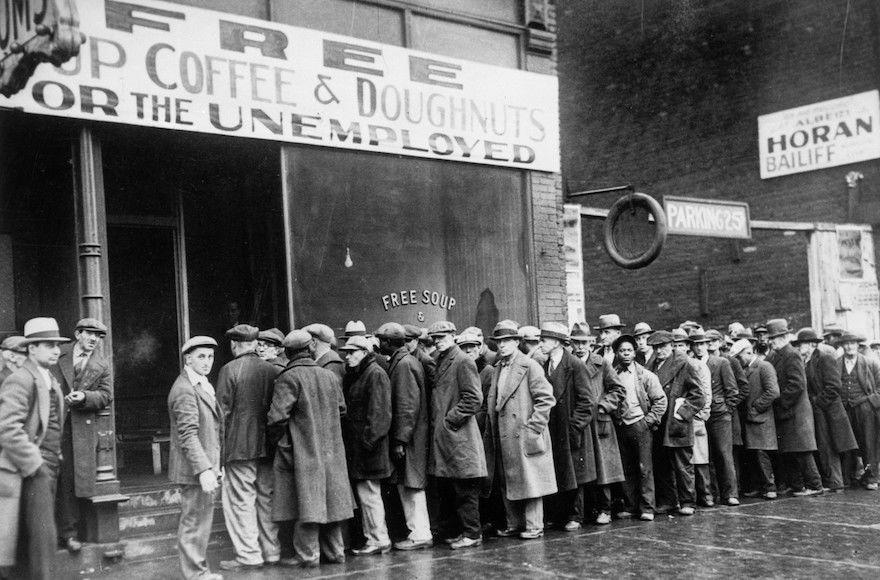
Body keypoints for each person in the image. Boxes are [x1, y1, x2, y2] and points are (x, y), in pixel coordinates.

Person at [266, 330, 353, 568]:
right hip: (331, 451)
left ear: (287, 352)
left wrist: (281, 443)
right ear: (309, 349)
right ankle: (336, 553)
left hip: (302, 451)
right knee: (331, 503)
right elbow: (342, 410)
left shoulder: (289, 377)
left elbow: (276, 419)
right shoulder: (328, 376)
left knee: (305, 503)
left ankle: (308, 556)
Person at [0, 317, 69, 580]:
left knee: (34, 541)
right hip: (29, 471)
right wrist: (35, 465)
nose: (55, 350)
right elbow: (7, 428)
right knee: (42, 540)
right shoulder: (21, 379)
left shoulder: (48, 378)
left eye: (57, 345)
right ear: (31, 348)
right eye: (48, 345)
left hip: (48, 466)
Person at [216, 325, 280, 571]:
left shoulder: (229, 370)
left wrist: (218, 456)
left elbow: (222, 414)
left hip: (239, 446)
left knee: (241, 500)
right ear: (255, 343)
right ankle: (272, 551)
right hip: (267, 446)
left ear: (234, 345)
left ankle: (249, 555)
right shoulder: (271, 369)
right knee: (266, 499)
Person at [484, 321, 556, 539]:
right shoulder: (498, 367)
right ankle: (514, 523)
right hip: (504, 432)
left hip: (524, 431)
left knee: (530, 479)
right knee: (508, 478)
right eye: (499, 342)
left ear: (516, 342)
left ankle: (534, 526)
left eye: (507, 341)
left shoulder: (529, 365)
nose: (503, 345)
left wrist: (533, 428)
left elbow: (546, 399)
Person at [426, 320, 487, 550]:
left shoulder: (462, 361)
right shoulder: (442, 360)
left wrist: (450, 419)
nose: (437, 342)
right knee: (454, 487)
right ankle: (464, 531)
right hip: (449, 436)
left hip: (459, 436)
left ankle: (472, 533)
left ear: (452, 336)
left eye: (441, 337)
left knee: (465, 487)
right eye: (434, 338)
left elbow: (474, 398)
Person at [168, 335, 223, 580]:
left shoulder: (200, 384)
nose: (207, 361)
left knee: (200, 522)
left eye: (210, 356)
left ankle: (198, 572)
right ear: (187, 358)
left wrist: (214, 466)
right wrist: (203, 470)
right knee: (194, 522)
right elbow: (187, 435)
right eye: (201, 356)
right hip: (195, 470)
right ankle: (196, 574)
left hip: (205, 466)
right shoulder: (185, 389)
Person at [375, 322, 432, 551]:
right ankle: (417, 532)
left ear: (389, 343)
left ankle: (420, 534)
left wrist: (400, 440)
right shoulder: (405, 361)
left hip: (409, 438)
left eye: (382, 340)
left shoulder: (404, 365)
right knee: (409, 484)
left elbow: (407, 406)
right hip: (410, 436)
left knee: (412, 485)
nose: (379, 344)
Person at [339, 335, 393, 555]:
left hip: (369, 449)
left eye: (352, 352)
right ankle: (375, 538)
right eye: (347, 352)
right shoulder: (364, 373)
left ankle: (378, 539)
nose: (348, 356)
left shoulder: (374, 374)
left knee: (370, 495)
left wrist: (367, 443)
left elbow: (381, 415)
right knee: (367, 495)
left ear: (364, 352)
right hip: (365, 448)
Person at [539, 322, 592, 531]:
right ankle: (560, 514)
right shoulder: (546, 365)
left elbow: (587, 402)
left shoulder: (575, 365)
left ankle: (575, 515)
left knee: (574, 474)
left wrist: (573, 427)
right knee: (558, 472)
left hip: (569, 429)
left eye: (544, 340)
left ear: (556, 342)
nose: (541, 344)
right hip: (553, 429)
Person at [646, 330, 704, 516]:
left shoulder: (684, 364)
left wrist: (681, 413)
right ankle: (669, 501)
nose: (659, 351)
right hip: (659, 423)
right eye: (655, 347)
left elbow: (699, 396)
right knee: (662, 465)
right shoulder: (651, 366)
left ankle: (688, 501)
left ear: (671, 345)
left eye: (662, 346)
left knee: (682, 465)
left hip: (676, 423)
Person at [793, 328, 857, 493]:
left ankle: (835, 482)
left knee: (829, 446)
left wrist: (817, 402)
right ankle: (831, 482)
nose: (800, 347)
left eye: (802, 344)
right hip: (819, 411)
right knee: (823, 445)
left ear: (811, 344)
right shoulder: (806, 360)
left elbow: (834, 386)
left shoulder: (824, 358)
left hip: (829, 411)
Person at [764, 319, 823, 496]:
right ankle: (798, 486)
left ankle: (815, 485)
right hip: (787, 411)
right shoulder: (775, 355)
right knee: (790, 450)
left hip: (796, 412)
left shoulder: (791, 354)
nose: (772, 341)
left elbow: (797, 384)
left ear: (784, 337)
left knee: (802, 451)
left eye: (775, 337)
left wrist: (781, 402)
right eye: (771, 338)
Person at [613, 334, 667, 521]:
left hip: (640, 425)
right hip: (622, 425)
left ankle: (647, 508)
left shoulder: (645, 375)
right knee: (626, 468)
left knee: (645, 468)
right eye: (622, 351)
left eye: (629, 350)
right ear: (617, 353)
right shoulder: (614, 374)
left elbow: (660, 401)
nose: (626, 354)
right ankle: (630, 505)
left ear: (634, 352)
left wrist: (648, 421)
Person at [581, 323, 626, 525]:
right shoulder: (572, 364)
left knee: (603, 469)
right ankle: (588, 509)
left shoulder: (601, 363)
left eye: (584, 343)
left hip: (600, 423)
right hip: (582, 423)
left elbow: (618, 389)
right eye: (576, 343)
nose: (580, 347)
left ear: (590, 344)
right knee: (585, 468)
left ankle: (605, 509)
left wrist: (603, 406)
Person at [690, 330, 740, 506]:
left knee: (724, 454)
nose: (699, 348)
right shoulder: (692, 364)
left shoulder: (721, 362)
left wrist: (726, 409)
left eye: (702, 344)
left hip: (719, 415)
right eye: (695, 345)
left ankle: (731, 494)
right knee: (706, 456)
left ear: (707, 345)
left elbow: (733, 391)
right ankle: (713, 494)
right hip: (701, 416)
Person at [729, 339, 779, 499]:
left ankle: (770, 487)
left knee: (761, 453)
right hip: (751, 419)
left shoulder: (764, 367)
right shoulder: (746, 368)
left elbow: (773, 391)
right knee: (753, 454)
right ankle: (759, 486)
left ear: (748, 352)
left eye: (739, 356)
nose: (738, 360)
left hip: (761, 419)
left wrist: (756, 408)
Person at [837, 331, 880, 490]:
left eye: (852, 343)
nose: (849, 346)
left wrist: (871, 402)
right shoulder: (836, 363)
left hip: (865, 409)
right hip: (844, 408)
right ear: (842, 346)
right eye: (846, 343)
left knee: (869, 442)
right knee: (847, 443)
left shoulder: (870, 363)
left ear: (857, 345)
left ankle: (872, 478)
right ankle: (849, 478)